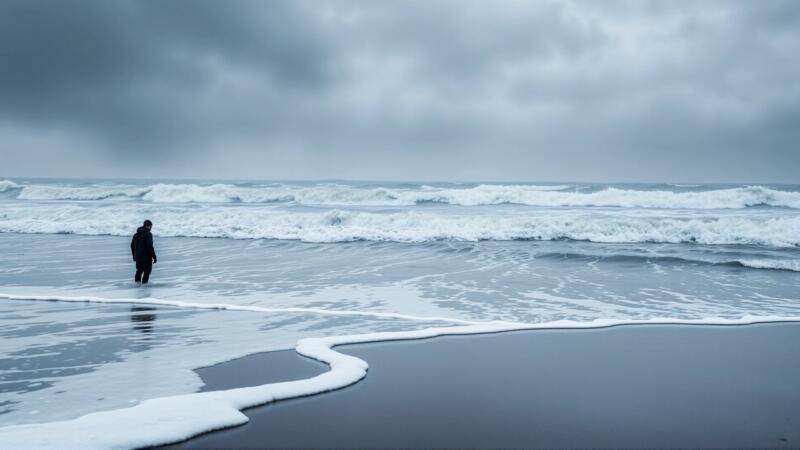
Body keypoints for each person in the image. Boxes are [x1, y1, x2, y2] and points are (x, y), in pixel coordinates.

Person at [131, 219, 157, 284]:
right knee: (147, 272)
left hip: (138, 257)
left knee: (139, 271)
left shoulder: (136, 235)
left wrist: (134, 255)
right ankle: (145, 286)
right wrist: (154, 256)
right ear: (148, 226)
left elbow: (132, 246)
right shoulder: (148, 234)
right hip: (146, 258)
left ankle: (137, 284)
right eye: (151, 226)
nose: (151, 228)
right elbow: (150, 246)